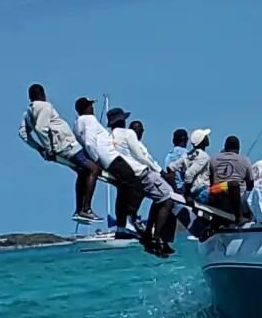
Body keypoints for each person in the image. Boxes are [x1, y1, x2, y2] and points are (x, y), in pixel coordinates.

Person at [72, 98, 174, 257]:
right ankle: (144, 230)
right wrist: (160, 171)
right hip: (138, 169)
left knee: (125, 189)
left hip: (114, 164)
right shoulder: (123, 132)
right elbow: (140, 155)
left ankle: (132, 228)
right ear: (123, 121)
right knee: (165, 197)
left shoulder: (107, 133)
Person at [19, 84, 100, 224]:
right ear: (43, 94)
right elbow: (40, 128)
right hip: (66, 146)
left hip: (59, 148)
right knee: (94, 169)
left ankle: (79, 210)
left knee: (82, 172)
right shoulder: (45, 106)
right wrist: (48, 148)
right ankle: (86, 209)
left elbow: (23, 133)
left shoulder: (28, 112)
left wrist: (39, 148)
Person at [207, 135, 257, 224]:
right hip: (237, 202)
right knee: (235, 186)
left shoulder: (212, 159)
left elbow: (210, 181)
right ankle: (241, 217)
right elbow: (250, 185)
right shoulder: (245, 160)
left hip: (216, 197)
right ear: (238, 148)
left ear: (225, 147)